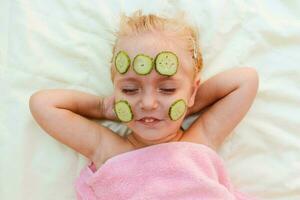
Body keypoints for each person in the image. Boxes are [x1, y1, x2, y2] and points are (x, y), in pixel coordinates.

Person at [29, 10, 258, 199]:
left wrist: (187, 104)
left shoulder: (201, 139)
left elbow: (246, 80)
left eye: (167, 89)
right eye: (130, 90)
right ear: (116, 91)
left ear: (191, 91)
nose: (148, 104)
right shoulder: (108, 150)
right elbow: (43, 104)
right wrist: (102, 109)